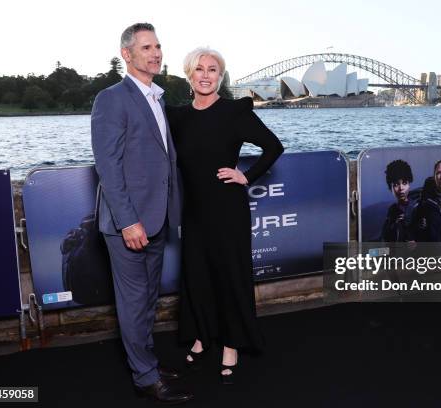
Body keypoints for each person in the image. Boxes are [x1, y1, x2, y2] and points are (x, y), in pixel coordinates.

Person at [166, 47, 284, 385]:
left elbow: (273, 146)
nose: (205, 75)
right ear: (190, 74)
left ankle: (231, 344)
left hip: (228, 209)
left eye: (213, 69)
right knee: (197, 276)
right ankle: (202, 335)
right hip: (194, 211)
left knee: (230, 276)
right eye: (199, 69)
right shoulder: (177, 116)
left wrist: (246, 175)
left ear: (220, 76)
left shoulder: (235, 111)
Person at [91, 23, 193, 404]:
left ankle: (145, 362)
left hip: (158, 216)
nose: (156, 53)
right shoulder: (112, 99)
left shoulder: (157, 98)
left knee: (148, 298)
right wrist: (128, 220)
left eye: (158, 46)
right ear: (127, 55)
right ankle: (145, 378)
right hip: (130, 224)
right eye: (146, 47)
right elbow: (108, 165)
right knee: (135, 302)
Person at [380, 159, 419, 242]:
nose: (401, 188)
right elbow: (385, 238)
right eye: (396, 184)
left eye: (404, 183)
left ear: (409, 184)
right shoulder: (392, 210)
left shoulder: (418, 207)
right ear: (390, 188)